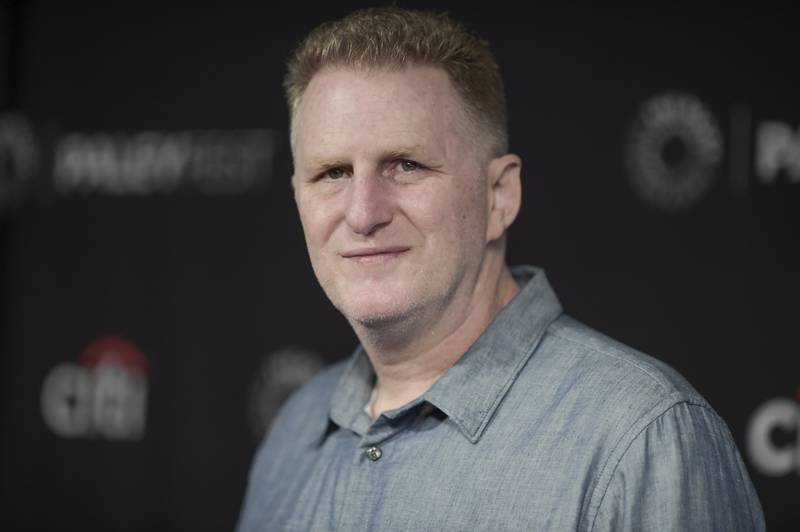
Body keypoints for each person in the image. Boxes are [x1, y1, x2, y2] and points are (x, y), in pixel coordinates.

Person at [237, 7, 765, 531]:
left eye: (406, 165)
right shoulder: (294, 430)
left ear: (499, 195)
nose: (363, 212)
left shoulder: (641, 441)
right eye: (332, 173)